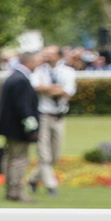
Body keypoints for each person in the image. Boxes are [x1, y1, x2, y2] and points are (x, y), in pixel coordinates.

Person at [0, 51, 41, 203]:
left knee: (10, 157)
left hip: (9, 126)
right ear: (30, 62)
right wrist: (32, 127)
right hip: (18, 127)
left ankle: (10, 190)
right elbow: (24, 107)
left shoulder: (13, 76)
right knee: (19, 159)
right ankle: (16, 191)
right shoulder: (21, 80)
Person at [34, 47, 77, 192]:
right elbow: (35, 87)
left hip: (59, 116)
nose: (47, 56)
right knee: (44, 153)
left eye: (50, 54)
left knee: (55, 155)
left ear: (58, 56)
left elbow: (68, 92)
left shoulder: (68, 71)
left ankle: (33, 179)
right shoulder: (39, 71)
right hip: (43, 115)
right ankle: (51, 185)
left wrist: (48, 88)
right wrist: (55, 88)